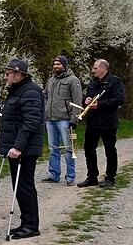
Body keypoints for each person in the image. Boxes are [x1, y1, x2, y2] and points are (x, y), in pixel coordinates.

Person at [0, 59, 44, 240]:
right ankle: (26, 223)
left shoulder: (31, 91)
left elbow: (30, 122)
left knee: (25, 186)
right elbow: (11, 121)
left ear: (19, 74)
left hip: (25, 148)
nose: (5, 77)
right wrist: (3, 142)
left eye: (8, 73)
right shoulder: (17, 90)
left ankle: (31, 225)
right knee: (19, 187)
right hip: (16, 146)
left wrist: (18, 146)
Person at [77, 59, 126, 188]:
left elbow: (120, 99)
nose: (93, 70)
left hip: (108, 122)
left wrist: (100, 105)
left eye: (95, 68)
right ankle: (92, 177)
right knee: (89, 149)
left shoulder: (115, 82)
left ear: (103, 68)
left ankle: (110, 178)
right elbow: (88, 97)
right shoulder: (93, 83)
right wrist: (85, 100)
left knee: (109, 150)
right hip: (93, 122)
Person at [42, 56, 81, 186]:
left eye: (58, 64)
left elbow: (77, 101)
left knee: (69, 148)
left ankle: (70, 176)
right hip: (51, 119)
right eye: (54, 64)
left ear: (64, 65)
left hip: (65, 120)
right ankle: (54, 175)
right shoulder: (51, 80)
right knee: (53, 148)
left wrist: (74, 119)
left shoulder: (73, 80)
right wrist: (45, 112)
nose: (56, 66)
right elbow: (45, 96)